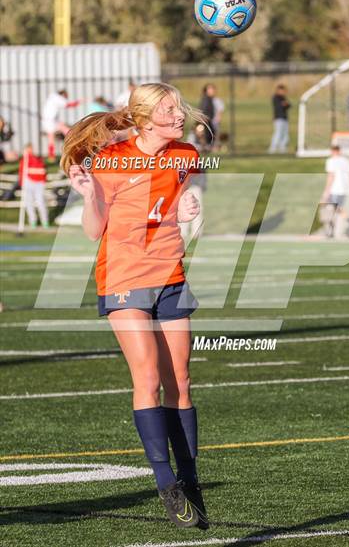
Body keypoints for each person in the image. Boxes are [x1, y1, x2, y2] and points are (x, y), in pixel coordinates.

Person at [61, 82, 210, 530]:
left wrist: (185, 207)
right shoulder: (110, 159)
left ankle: (190, 479)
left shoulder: (185, 155)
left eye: (178, 106)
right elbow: (94, 231)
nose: (179, 114)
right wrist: (89, 196)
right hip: (124, 279)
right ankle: (166, 484)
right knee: (146, 378)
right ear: (145, 120)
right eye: (168, 109)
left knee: (180, 381)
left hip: (171, 276)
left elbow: (177, 198)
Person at [321, 145, 349, 238]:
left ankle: (333, 230)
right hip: (345, 190)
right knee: (337, 209)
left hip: (335, 189)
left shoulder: (331, 161)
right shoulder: (346, 161)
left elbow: (331, 176)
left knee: (330, 209)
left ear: (333, 152)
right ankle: (347, 224)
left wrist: (326, 191)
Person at [41, 89, 82, 161]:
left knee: (61, 132)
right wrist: (79, 102)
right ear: (63, 95)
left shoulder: (53, 96)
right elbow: (68, 105)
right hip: (50, 121)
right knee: (61, 133)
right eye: (66, 97)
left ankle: (51, 156)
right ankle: (76, 144)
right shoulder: (58, 98)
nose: (65, 99)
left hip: (50, 120)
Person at [18, 143, 49, 229]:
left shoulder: (37, 159)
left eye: (30, 148)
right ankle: (33, 221)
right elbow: (21, 172)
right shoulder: (24, 160)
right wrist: (22, 183)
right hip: (28, 182)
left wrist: (43, 180)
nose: (29, 150)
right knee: (28, 202)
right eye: (28, 149)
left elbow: (42, 170)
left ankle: (45, 221)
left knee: (40, 202)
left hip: (39, 183)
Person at [268, 84, 291, 154]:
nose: (283, 92)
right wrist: (284, 104)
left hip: (285, 118)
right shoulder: (275, 97)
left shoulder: (283, 98)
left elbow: (288, 105)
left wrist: (285, 104)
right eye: (282, 90)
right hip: (278, 119)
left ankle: (282, 148)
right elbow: (280, 106)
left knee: (285, 135)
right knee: (278, 133)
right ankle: (272, 148)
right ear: (278, 90)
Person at [199, 84, 216, 151]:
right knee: (206, 135)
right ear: (206, 91)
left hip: (208, 121)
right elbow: (202, 110)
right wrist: (204, 118)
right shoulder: (206, 99)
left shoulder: (209, 99)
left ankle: (207, 147)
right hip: (205, 121)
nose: (213, 91)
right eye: (211, 89)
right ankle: (205, 148)